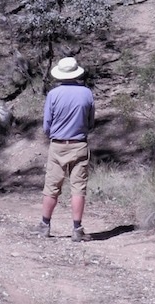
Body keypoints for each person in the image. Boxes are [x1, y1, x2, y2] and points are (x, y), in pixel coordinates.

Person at [37, 56, 95, 241]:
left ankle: (45, 226)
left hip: (58, 145)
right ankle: (77, 229)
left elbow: (47, 124)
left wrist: (53, 134)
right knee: (78, 188)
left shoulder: (53, 94)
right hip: (79, 145)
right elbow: (91, 122)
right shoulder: (87, 93)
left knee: (51, 187)